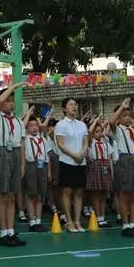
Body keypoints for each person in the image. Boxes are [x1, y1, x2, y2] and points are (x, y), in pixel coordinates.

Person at [0, 83, 27, 247]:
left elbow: (22, 144)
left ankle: (11, 231)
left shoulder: (18, 121)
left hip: (16, 154)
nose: (11, 103)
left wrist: (23, 164)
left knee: (12, 196)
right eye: (7, 100)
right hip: (1, 154)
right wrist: (12, 87)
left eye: (13, 101)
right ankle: (3, 233)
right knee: (2, 195)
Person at [108, 98, 134, 236]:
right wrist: (122, 106)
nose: (128, 118)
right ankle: (125, 225)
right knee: (124, 194)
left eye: (129, 115)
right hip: (124, 160)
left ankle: (133, 223)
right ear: (119, 118)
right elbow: (111, 121)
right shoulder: (118, 130)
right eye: (124, 116)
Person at [54, 98, 88, 232]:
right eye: (71, 105)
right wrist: (74, 155)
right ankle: (69, 221)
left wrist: (82, 153)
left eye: (75, 104)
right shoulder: (61, 125)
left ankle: (78, 221)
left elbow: (86, 142)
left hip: (81, 161)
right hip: (67, 161)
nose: (74, 107)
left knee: (79, 192)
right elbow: (60, 144)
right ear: (64, 109)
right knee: (67, 191)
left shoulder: (82, 125)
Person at [85, 117, 114, 228]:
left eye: (101, 131)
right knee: (96, 194)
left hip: (105, 166)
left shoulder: (105, 143)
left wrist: (112, 173)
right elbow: (89, 133)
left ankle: (102, 217)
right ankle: (97, 217)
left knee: (103, 194)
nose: (99, 134)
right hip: (95, 167)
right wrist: (95, 121)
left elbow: (110, 158)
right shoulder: (91, 143)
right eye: (97, 132)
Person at [22, 115, 49, 232]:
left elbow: (47, 155)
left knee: (40, 194)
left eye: (36, 125)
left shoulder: (42, 139)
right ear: (27, 128)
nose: (34, 128)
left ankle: (38, 220)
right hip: (31, 166)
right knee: (30, 193)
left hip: (42, 165)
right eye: (31, 126)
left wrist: (49, 171)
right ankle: (32, 221)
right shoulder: (25, 139)